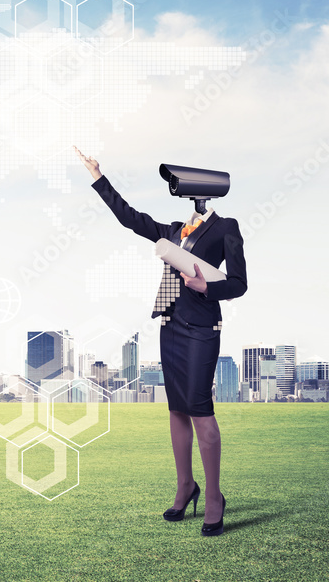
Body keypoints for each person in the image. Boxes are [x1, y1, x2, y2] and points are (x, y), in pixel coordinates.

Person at [74, 147, 247, 537]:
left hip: (202, 330)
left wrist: (206, 287)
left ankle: (215, 497)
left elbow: (239, 283)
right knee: (177, 410)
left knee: (201, 411)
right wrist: (99, 177)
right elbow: (130, 219)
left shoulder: (226, 228)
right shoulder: (173, 230)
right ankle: (186, 485)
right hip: (170, 327)